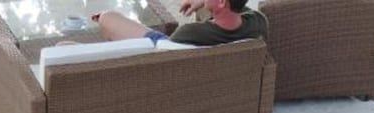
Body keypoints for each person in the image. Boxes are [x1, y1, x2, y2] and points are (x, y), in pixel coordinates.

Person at [96, 0, 267, 47]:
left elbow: (166, 52)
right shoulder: (259, 22)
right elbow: (237, 7)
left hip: (165, 49)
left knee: (107, 17)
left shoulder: (189, 32)